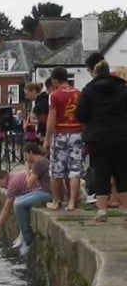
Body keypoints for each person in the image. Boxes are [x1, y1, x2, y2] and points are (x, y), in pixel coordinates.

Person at [76, 52, 127, 222]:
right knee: (122, 172)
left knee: (101, 173)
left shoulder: (89, 90)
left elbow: (81, 114)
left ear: (94, 71)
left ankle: (102, 212)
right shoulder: (122, 88)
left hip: (98, 137)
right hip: (122, 135)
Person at [0, 142, 51, 255]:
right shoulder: (41, 161)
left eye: (25, 155)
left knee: (18, 204)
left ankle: (28, 239)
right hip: (43, 190)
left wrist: (27, 168)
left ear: (30, 153)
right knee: (19, 201)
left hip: (47, 192)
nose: (25, 158)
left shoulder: (39, 163)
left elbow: (29, 184)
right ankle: (23, 234)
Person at [43, 68, 83, 211]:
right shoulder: (78, 93)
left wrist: (47, 139)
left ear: (54, 80)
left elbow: (52, 118)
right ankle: (72, 202)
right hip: (77, 133)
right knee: (74, 170)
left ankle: (56, 201)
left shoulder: (54, 95)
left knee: (56, 170)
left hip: (60, 133)